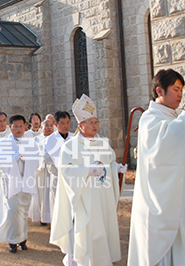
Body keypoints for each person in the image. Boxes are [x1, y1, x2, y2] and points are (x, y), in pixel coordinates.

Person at [128, 70, 185, 266]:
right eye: (176, 89)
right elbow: (167, 146)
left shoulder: (178, 118)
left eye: (182, 90)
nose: (180, 94)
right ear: (159, 91)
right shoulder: (150, 119)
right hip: (169, 205)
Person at [50, 94, 126, 266]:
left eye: (96, 122)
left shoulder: (103, 144)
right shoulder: (70, 146)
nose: (94, 126)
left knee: (103, 230)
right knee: (90, 232)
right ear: (81, 125)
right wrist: (87, 170)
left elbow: (110, 163)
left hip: (103, 197)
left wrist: (117, 169)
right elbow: (65, 171)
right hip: (85, 199)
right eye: (90, 122)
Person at [0, 115, 39, 253]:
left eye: (20, 126)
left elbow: (36, 159)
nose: (18, 129)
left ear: (25, 126)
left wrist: (27, 159)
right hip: (10, 182)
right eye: (15, 126)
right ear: (10, 127)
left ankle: (22, 239)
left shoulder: (32, 143)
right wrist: (12, 160)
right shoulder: (3, 144)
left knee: (23, 211)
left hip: (26, 181)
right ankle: (12, 240)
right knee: (12, 211)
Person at [42, 111, 74, 223]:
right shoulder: (49, 141)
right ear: (56, 125)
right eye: (62, 123)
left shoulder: (74, 138)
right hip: (58, 179)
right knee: (58, 208)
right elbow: (52, 162)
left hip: (74, 180)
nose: (66, 126)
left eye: (68, 122)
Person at [28, 118, 55, 224]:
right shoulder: (36, 140)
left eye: (51, 125)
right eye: (46, 125)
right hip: (41, 171)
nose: (49, 128)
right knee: (41, 195)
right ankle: (42, 216)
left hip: (53, 171)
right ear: (41, 127)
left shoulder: (56, 139)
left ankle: (52, 216)